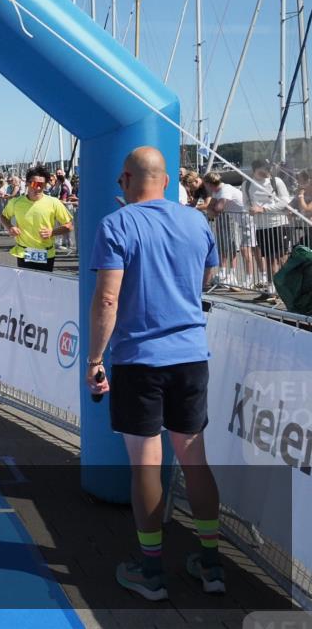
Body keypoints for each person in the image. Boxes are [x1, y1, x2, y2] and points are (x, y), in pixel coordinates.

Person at [88, 146, 222, 602]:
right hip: (190, 356)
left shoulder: (116, 224)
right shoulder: (197, 221)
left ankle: (151, 571)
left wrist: (94, 360)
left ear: (125, 179)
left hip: (140, 360)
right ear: (166, 181)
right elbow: (207, 280)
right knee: (193, 459)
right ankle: (210, 563)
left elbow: (107, 299)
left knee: (145, 463)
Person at [0, 165, 74, 272]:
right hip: (23, 251)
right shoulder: (16, 202)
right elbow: (3, 216)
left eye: (42, 185)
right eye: (35, 184)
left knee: (44, 286)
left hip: (46, 253)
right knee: (26, 286)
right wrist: (10, 227)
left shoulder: (54, 202)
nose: (38, 188)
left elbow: (69, 225)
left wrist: (52, 232)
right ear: (28, 183)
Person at [244, 159, 292, 291]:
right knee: (270, 259)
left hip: (279, 224)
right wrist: (250, 208)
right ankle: (272, 288)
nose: (268, 172)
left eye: (269, 168)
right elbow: (246, 203)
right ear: (255, 170)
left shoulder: (276, 182)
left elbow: (285, 201)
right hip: (261, 227)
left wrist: (264, 209)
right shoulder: (247, 184)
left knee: (282, 258)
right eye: (264, 169)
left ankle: (286, 287)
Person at [202, 172, 247, 287]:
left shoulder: (225, 190)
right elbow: (210, 210)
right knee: (222, 246)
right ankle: (223, 273)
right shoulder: (216, 191)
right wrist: (212, 208)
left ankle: (233, 275)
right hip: (231, 218)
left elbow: (218, 207)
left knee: (233, 247)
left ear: (209, 183)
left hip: (240, 219)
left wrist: (213, 208)